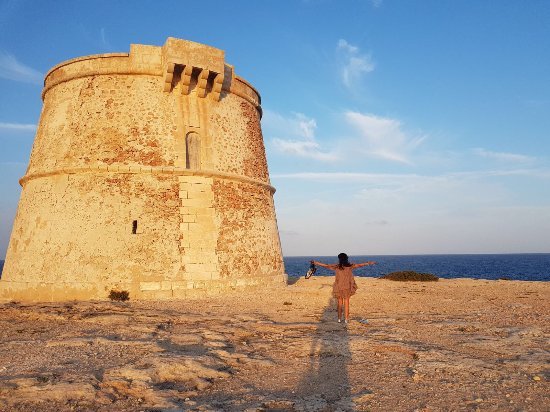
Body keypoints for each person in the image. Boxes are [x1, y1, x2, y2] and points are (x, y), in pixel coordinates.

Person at [311, 253, 376, 324]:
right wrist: (368, 263)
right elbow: (360, 265)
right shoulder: (350, 266)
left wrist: (316, 263)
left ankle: (339, 319)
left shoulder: (337, 266)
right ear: (346, 259)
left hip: (338, 287)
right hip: (347, 287)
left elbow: (326, 266)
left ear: (340, 259)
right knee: (346, 303)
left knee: (339, 304)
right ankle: (346, 319)